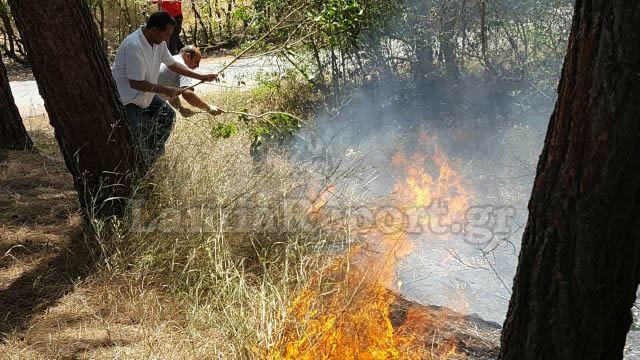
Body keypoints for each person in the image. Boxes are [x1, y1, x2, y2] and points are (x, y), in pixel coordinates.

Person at [111, 11, 217, 170]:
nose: (168, 38)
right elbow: (135, 83)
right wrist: (165, 89)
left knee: (168, 116)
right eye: (166, 34)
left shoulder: (158, 42)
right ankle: (142, 165)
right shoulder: (134, 46)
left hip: (147, 94)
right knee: (139, 135)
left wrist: (200, 76)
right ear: (153, 30)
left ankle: (152, 159)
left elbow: (172, 64)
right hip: (128, 98)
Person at [157, 45, 224, 117]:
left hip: (148, 99)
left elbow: (171, 94)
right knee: (168, 117)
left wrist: (181, 109)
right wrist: (209, 108)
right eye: (196, 62)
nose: (197, 66)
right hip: (149, 101)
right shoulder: (182, 65)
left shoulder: (172, 60)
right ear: (188, 56)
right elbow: (187, 94)